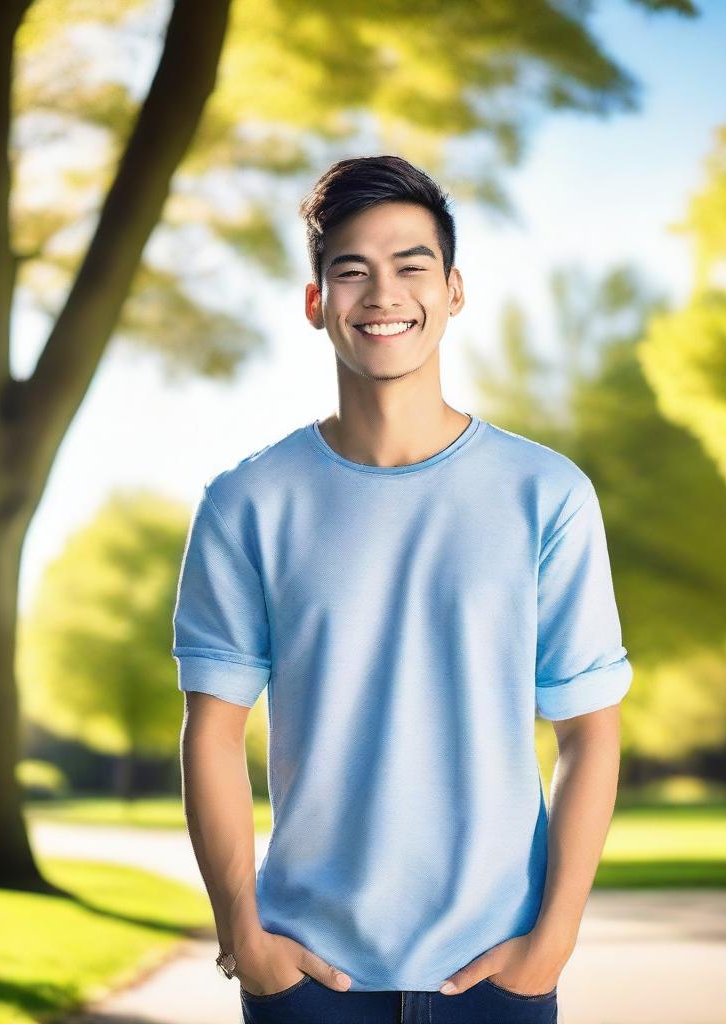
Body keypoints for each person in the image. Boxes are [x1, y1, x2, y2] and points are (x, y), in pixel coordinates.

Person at [173, 155, 632, 1024]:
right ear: (316, 304)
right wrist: (245, 936)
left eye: (411, 265)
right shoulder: (247, 504)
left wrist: (552, 943)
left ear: (453, 290)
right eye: (352, 270)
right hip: (307, 977)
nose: (384, 293)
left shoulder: (548, 495)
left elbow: (589, 731)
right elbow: (213, 731)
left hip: (499, 972)